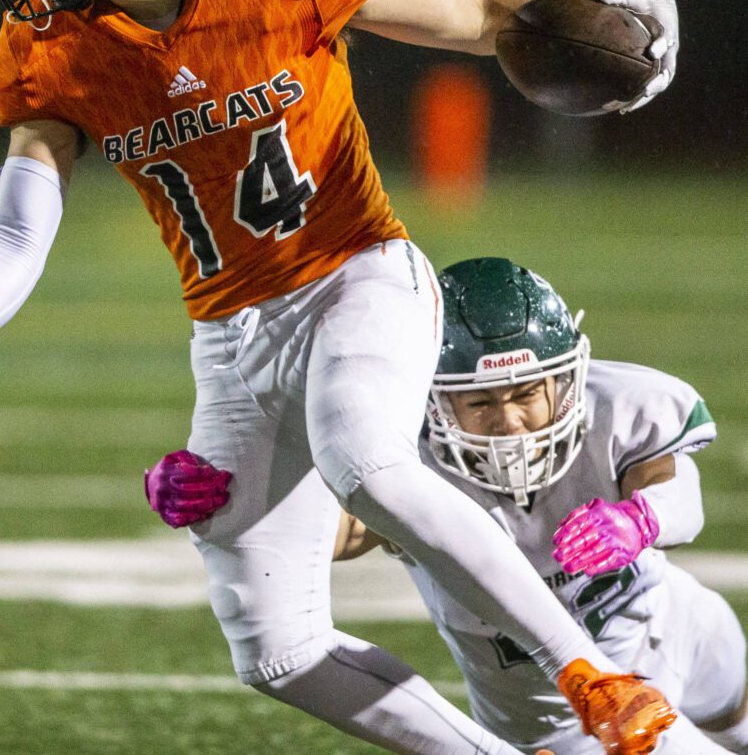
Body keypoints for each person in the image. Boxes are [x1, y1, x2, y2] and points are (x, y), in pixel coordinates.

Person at [0, 0, 682, 755]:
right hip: (229, 333)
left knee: (366, 459)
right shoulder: (46, 47)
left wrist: (606, 5)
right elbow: (18, 225)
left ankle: (593, 678)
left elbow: (476, 14)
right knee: (275, 648)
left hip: (358, 271)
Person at [149, 257, 747, 755]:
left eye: (525, 393)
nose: (509, 421)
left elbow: (678, 492)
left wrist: (641, 518)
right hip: (562, 718)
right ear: (434, 400)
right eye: (479, 401)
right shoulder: (400, 455)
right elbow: (331, 536)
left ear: (563, 381)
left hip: (681, 623)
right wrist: (227, 503)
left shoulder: (619, 405)